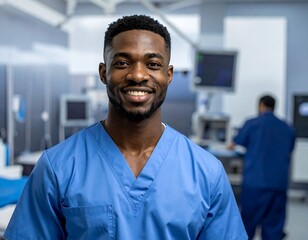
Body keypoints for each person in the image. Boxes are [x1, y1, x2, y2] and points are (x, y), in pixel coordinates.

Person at [4, 15, 247, 239]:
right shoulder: (58, 168)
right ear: (103, 72)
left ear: (169, 75)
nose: (138, 75)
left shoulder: (206, 174)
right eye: (122, 63)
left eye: (152, 64)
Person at [228, 95, 296, 240]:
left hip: (255, 184)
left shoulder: (252, 124)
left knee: (247, 227)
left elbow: (233, 144)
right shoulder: (288, 128)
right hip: (278, 186)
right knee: (273, 228)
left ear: (261, 105)